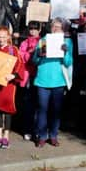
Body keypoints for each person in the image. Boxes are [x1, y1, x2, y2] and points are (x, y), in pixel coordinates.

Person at [33, 18, 73, 147]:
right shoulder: (43, 40)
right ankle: (42, 136)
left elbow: (68, 63)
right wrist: (38, 54)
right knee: (42, 109)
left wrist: (65, 52)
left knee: (56, 110)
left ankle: (54, 135)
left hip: (58, 81)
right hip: (42, 80)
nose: (55, 29)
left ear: (63, 29)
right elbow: (34, 61)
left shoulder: (67, 41)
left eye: (59, 27)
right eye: (54, 26)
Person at [0, 26, 24, 149]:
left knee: (7, 109)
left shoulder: (13, 50)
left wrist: (13, 75)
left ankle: (6, 136)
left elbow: (20, 64)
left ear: (8, 37)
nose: (1, 39)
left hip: (8, 84)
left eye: (4, 37)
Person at [17, 20, 42, 140]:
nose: (33, 31)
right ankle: (27, 129)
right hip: (27, 76)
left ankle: (38, 130)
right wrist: (29, 54)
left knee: (39, 104)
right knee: (28, 104)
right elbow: (21, 57)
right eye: (31, 29)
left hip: (39, 75)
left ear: (39, 30)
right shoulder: (24, 42)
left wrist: (35, 54)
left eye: (35, 29)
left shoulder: (42, 41)